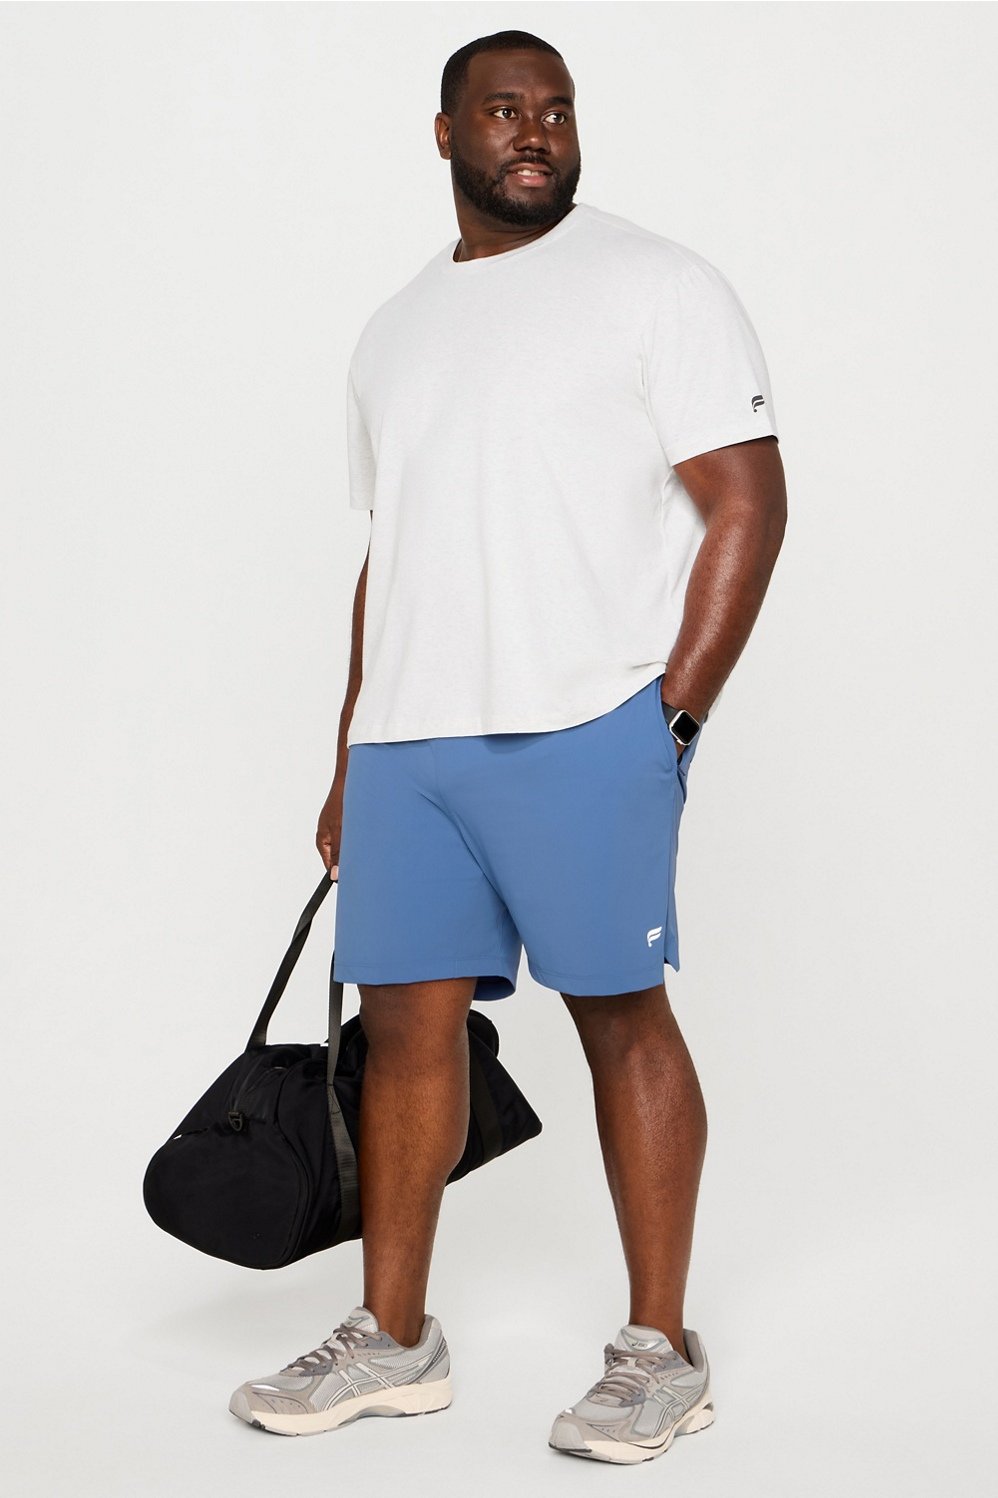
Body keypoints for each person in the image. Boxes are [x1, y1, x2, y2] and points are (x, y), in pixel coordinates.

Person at [229, 29, 787, 1464]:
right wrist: (349, 750)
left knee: (620, 1015)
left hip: (586, 721)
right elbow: (391, 554)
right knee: (404, 1032)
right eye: (502, 110)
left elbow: (746, 501)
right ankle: (393, 1337)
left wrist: (670, 716)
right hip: (410, 746)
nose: (534, 131)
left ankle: (659, 1349)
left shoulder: (655, 283)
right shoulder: (393, 328)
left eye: (555, 110)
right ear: (445, 134)